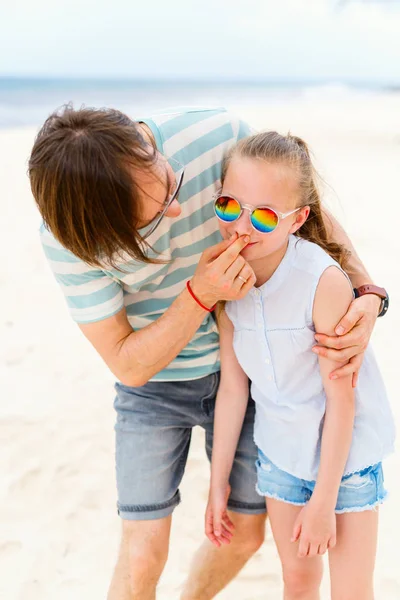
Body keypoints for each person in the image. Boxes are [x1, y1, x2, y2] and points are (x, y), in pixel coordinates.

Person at [28, 104, 388, 600]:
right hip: (155, 384)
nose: (177, 210)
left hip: (251, 383)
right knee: (142, 553)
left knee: (244, 537)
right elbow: (126, 363)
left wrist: (367, 291)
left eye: (173, 185)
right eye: (154, 218)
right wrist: (201, 294)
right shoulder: (71, 239)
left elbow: (305, 207)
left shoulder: (219, 137)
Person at [206, 130, 394, 600]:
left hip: (344, 464)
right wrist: (218, 484)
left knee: (351, 590)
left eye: (265, 216)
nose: (242, 227)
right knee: (298, 581)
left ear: (299, 220)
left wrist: (323, 503)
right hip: (281, 457)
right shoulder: (227, 283)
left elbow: (341, 400)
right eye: (230, 206)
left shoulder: (322, 282)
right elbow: (233, 389)